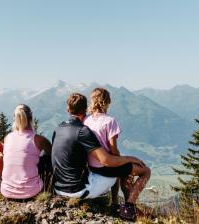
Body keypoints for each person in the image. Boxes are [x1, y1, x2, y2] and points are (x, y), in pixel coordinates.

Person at [51, 93, 149, 221]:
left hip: (58, 188)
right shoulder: (83, 130)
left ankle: (116, 204)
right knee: (135, 170)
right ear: (85, 109)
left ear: (68, 109)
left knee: (118, 166)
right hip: (78, 190)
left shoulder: (58, 128)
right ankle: (128, 207)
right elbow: (107, 160)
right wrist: (131, 158)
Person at [84, 87, 151, 219]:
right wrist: (125, 160)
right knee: (146, 171)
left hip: (92, 165)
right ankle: (129, 206)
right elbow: (113, 150)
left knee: (122, 170)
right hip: (106, 166)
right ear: (107, 102)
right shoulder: (110, 121)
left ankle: (115, 203)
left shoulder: (86, 120)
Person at [1, 104, 52, 200]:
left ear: (15, 119)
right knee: (47, 158)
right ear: (31, 118)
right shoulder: (39, 139)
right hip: (31, 191)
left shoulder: (8, 138)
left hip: (6, 191)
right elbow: (53, 154)